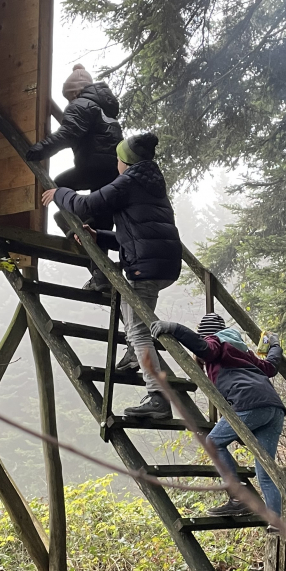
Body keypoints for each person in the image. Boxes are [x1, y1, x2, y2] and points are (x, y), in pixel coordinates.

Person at [42, 132, 182, 419]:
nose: (116, 163)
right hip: (164, 264)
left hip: (146, 268)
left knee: (138, 331)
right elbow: (135, 236)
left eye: (118, 158)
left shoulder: (128, 181)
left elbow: (85, 206)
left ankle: (157, 398)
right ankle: (136, 356)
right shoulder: (152, 184)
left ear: (125, 162)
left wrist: (59, 193)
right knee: (137, 326)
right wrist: (100, 236)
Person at [150, 312, 286, 515]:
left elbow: (204, 347)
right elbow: (270, 367)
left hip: (248, 403)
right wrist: (274, 345)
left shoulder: (216, 340)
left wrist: (174, 328)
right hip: (274, 408)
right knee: (265, 471)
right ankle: (277, 527)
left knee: (213, 442)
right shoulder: (244, 352)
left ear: (206, 334)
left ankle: (238, 498)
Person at [25, 64, 122, 291]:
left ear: (75, 92)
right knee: (101, 221)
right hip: (113, 170)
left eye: (69, 97)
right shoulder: (105, 111)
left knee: (57, 187)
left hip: (92, 166)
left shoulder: (80, 104)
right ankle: (101, 276)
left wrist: (39, 150)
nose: (68, 102)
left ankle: (77, 228)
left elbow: (67, 134)